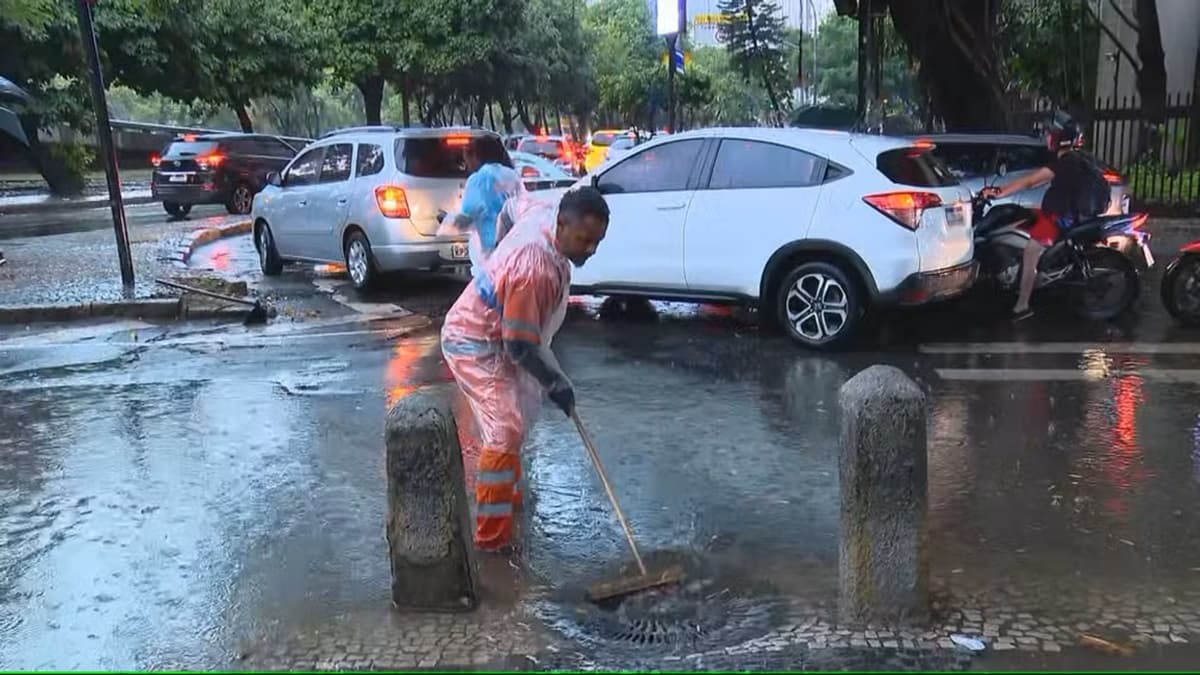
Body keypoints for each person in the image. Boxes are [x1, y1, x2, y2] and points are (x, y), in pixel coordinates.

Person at [441, 187, 610, 552]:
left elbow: (509, 208)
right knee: (505, 428)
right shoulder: (534, 268)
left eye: (597, 241)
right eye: (585, 240)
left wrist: (497, 252)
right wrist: (556, 382)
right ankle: (492, 541)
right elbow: (519, 344)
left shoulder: (543, 210)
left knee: (520, 419)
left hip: (508, 335)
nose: (591, 249)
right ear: (562, 224)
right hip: (475, 341)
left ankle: (509, 502)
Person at [981, 119, 1109, 321]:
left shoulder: (1066, 161)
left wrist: (999, 192)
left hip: (1061, 217)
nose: (1048, 138)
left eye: (1052, 135)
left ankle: (1022, 305)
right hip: (1061, 212)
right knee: (1018, 216)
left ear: (1062, 139)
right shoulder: (1075, 159)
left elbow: (1032, 180)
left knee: (1031, 252)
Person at [438, 135, 523, 274]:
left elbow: (466, 218)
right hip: (514, 251)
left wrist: (446, 220)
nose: (467, 165)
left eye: (466, 158)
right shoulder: (512, 176)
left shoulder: (479, 180)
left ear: (475, 156)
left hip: (489, 258)